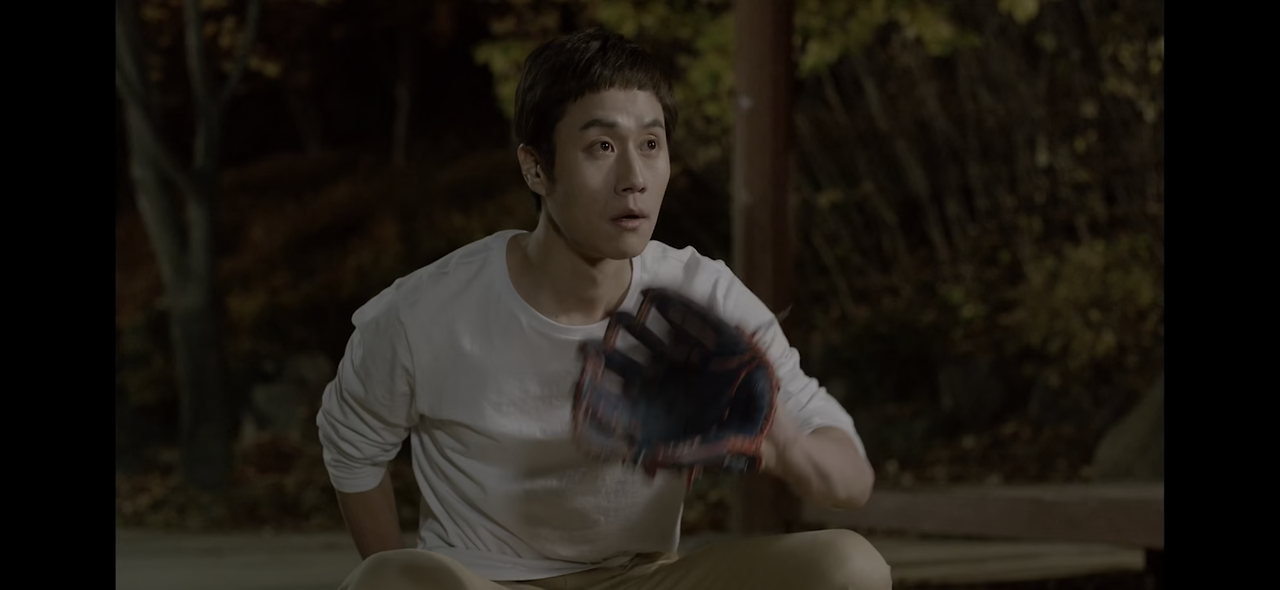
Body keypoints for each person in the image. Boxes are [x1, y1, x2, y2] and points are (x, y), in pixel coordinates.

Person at [317, 27, 892, 590]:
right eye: (602, 147)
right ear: (536, 168)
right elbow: (353, 445)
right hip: (487, 581)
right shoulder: (426, 311)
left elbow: (852, 484)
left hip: (643, 576)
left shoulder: (703, 299)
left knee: (849, 568)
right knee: (389, 580)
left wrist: (784, 445)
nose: (634, 179)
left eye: (651, 144)